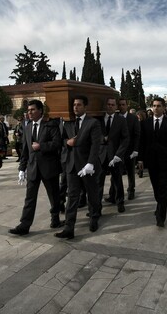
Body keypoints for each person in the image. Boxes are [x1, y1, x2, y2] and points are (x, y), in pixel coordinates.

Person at [9, 100, 64, 235]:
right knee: (29, 198)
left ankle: (55, 219)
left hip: (49, 167)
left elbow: (57, 144)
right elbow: (26, 150)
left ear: (40, 110)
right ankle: (24, 225)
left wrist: (42, 146)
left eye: (33, 110)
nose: (30, 112)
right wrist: (22, 169)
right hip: (33, 168)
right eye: (28, 110)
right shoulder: (27, 127)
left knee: (54, 196)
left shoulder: (51, 125)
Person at [56, 95, 102, 240]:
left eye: (79, 105)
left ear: (85, 107)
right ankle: (69, 228)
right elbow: (61, 140)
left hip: (88, 165)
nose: (76, 107)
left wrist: (91, 163)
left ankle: (94, 217)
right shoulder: (67, 123)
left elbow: (96, 145)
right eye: (74, 105)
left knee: (92, 194)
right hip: (72, 166)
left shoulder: (93, 123)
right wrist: (67, 142)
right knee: (72, 197)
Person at [138, 97, 167, 227]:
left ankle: (161, 216)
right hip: (151, 161)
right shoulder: (145, 123)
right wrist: (140, 159)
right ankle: (159, 205)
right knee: (156, 188)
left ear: (163, 108)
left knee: (164, 188)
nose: (156, 108)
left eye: (159, 106)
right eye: (154, 106)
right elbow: (141, 143)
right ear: (151, 107)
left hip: (165, 161)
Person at [98, 97, 130, 214]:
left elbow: (125, 138)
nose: (110, 106)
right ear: (105, 105)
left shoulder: (121, 120)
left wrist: (118, 155)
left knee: (117, 181)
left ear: (116, 107)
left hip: (115, 155)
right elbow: (94, 135)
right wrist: (103, 138)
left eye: (112, 105)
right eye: (108, 104)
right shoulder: (99, 119)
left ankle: (120, 202)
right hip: (101, 155)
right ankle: (96, 207)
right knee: (99, 182)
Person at [118, 98, 140, 200]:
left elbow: (137, 135)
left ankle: (131, 190)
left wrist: (135, 149)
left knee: (130, 172)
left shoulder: (133, 118)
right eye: (120, 105)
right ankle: (115, 193)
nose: (121, 106)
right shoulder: (116, 117)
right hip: (118, 151)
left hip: (130, 150)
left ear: (127, 106)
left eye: (123, 105)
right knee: (117, 173)